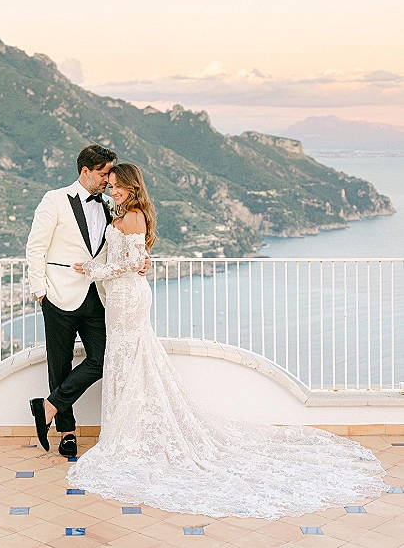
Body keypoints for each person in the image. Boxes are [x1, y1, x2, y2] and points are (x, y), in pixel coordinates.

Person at [68, 162, 386, 520]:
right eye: (108, 186)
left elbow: (135, 261)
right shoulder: (125, 214)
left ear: (130, 186)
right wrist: (108, 266)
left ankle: (130, 434)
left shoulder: (134, 215)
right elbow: (135, 259)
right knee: (127, 359)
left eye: (115, 186)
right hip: (122, 296)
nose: (111, 191)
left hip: (128, 298)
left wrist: (93, 270)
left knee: (128, 357)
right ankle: (129, 429)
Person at [27, 144, 135, 457]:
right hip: (57, 294)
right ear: (84, 171)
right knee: (59, 365)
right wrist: (40, 292)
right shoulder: (54, 199)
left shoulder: (108, 204)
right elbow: (35, 248)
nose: (107, 180)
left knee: (102, 357)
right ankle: (67, 432)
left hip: (96, 295)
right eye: (102, 174)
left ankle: (47, 407)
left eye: (109, 174)